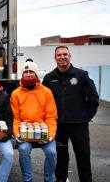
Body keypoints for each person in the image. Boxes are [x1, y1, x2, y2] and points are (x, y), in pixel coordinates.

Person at [42, 46, 99, 182]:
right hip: (59, 127)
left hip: (79, 126)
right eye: (59, 55)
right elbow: (43, 101)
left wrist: (86, 117)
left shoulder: (81, 75)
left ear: (70, 56)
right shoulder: (49, 78)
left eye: (65, 54)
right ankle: (61, 180)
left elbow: (93, 99)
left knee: (83, 157)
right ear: (55, 58)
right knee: (61, 157)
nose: (62, 57)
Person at [11, 60, 57, 182]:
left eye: (31, 71)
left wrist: (50, 136)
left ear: (36, 74)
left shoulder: (46, 92)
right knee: (24, 149)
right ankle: (27, 179)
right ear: (22, 75)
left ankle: (49, 179)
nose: (28, 74)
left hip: (43, 132)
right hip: (25, 133)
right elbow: (15, 117)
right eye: (25, 72)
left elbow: (51, 117)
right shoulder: (16, 93)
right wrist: (17, 134)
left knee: (52, 152)